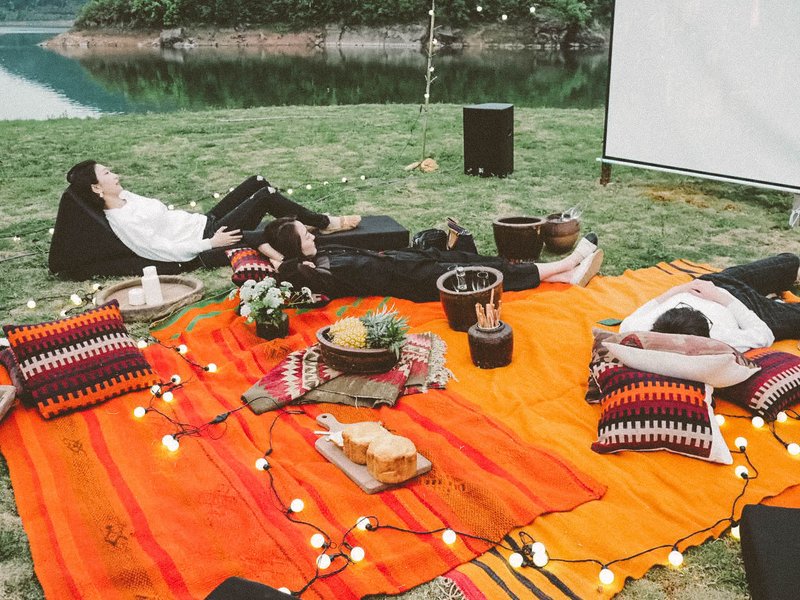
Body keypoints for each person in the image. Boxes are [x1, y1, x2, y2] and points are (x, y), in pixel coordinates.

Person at [63, 160, 361, 267]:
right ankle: (324, 223)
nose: (115, 174)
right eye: (107, 173)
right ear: (96, 188)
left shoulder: (126, 197)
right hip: (208, 237)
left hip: (204, 221)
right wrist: (211, 244)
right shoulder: (123, 221)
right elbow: (162, 251)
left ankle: (310, 222)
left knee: (257, 181)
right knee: (265, 197)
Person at [261, 217, 605, 302]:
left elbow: (260, 240)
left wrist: (275, 254)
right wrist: (284, 264)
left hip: (409, 261)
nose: (312, 235)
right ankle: (566, 263)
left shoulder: (321, 254)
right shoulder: (318, 274)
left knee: (469, 256)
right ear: (295, 249)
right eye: (304, 235)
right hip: (415, 281)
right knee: (486, 271)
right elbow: (288, 274)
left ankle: (564, 277)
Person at [620, 254, 800, 352]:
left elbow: (651, 305)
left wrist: (680, 289)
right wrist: (721, 298)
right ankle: (772, 301)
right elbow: (763, 333)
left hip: (710, 282)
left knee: (789, 262)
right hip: (742, 303)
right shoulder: (719, 341)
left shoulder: (635, 330)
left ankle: (776, 291)